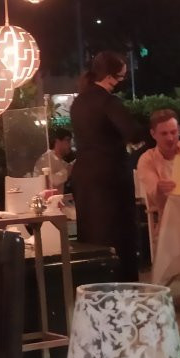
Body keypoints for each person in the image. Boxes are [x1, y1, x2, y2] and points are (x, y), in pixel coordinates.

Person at [69, 51, 143, 281]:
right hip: (110, 177)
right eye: (121, 76)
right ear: (111, 77)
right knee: (118, 235)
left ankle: (94, 284)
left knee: (92, 234)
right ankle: (123, 286)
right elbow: (132, 132)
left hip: (83, 175)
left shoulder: (78, 102)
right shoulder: (109, 102)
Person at [135, 109, 180, 214]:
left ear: (179, 130)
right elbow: (154, 196)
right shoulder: (147, 159)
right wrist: (159, 190)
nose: (170, 138)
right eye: (164, 133)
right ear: (153, 134)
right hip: (169, 214)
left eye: (173, 132)